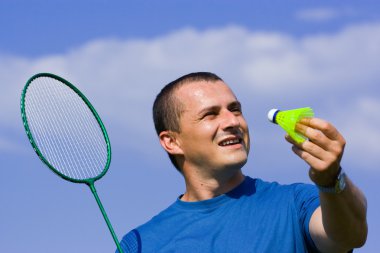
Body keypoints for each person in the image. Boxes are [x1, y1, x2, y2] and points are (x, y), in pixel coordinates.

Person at [117, 72, 367, 253]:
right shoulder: (140, 244)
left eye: (235, 109)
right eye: (210, 114)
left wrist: (332, 180)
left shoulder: (295, 202)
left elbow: (348, 237)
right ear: (171, 142)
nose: (232, 121)